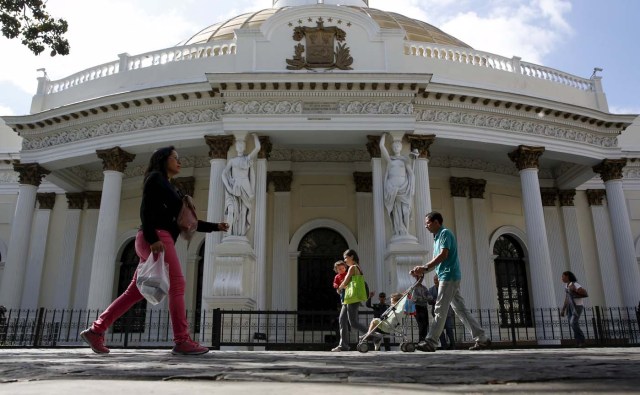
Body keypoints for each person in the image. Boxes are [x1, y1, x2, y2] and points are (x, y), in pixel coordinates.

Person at [80, 146, 229, 355]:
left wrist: (215, 227)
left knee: (134, 292)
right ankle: (182, 340)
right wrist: (153, 238)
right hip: (156, 238)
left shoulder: (171, 187)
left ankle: (96, 330)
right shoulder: (155, 179)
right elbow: (146, 210)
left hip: (154, 239)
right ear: (162, 159)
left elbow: (186, 222)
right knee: (177, 285)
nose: (179, 162)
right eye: (175, 158)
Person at [411, 211, 491, 352]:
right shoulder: (437, 238)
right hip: (447, 276)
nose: (426, 226)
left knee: (440, 308)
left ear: (437, 222)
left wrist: (424, 267)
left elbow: (444, 255)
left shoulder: (445, 234)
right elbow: (439, 261)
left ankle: (431, 341)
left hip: (449, 276)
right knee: (461, 310)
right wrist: (424, 271)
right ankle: (482, 339)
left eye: (427, 223)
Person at [221, 133, 260, 237]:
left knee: (244, 211)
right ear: (236, 147)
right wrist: (228, 187)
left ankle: (241, 233)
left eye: (242, 145)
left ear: (245, 147)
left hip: (245, 185)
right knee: (233, 210)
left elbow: (257, 148)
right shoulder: (232, 161)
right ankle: (232, 232)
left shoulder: (247, 159)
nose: (240, 147)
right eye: (238, 145)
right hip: (235, 186)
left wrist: (255, 136)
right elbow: (224, 173)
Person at [333, 249, 370, 352]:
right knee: (342, 320)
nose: (345, 260)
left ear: (352, 257)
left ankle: (375, 335)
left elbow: (346, 281)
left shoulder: (353, 267)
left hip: (352, 298)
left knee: (353, 322)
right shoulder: (357, 267)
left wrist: (339, 288)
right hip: (349, 298)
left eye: (346, 257)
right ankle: (343, 345)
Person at [379, 133, 416, 236]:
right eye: (394, 146)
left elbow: (411, 174)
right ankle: (399, 231)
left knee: (406, 212)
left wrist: (412, 187)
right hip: (393, 188)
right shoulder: (390, 160)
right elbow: (382, 147)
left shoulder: (405, 161)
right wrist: (383, 135)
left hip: (404, 188)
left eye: (398, 146)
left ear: (401, 148)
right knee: (396, 212)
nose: (396, 148)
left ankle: (406, 233)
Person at [561, 271, 587, 347]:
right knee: (573, 324)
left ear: (567, 276)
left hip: (577, 306)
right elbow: (567, 298)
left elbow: (583, 292)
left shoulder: (575, 284)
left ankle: (582, 340)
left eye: (563, 276)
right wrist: (563, 309)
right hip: (570, 307)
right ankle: (578, 342)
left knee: (573, 323)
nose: (562, 278)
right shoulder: (566, 285)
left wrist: (575, 289)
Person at [428, 274, 455, 349]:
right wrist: (436, 301)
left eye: (437, 281)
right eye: (434, 281)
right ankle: (444, 346)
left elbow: (450, 299)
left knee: (449, 328)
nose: (435, 282)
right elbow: (429, 301)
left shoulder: (446, 288)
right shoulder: (431, 290)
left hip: (447, 312)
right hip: (436, 313)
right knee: (440, 331)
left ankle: (453, 345)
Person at [410, 272, 433, 343]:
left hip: (424, 307)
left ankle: (424, 340)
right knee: (421, 325)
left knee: (426, 324)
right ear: (416, 278)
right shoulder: (413, 287)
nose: (420, 279)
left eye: (421, 278)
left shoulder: (424, 288)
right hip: (417, 308)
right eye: (419, 278)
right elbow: (414, 299)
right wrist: (424, 298)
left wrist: (422, 298)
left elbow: (430, 297)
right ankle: (421, 340)